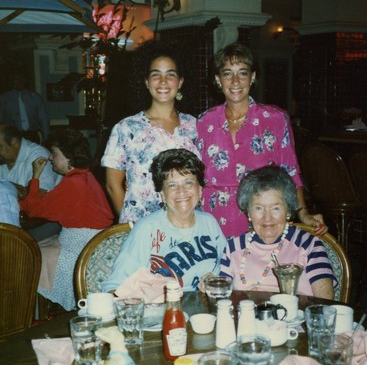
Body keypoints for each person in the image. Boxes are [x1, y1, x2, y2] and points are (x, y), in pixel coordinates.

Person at [197, 43, 325, 237]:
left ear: (253, 77)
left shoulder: (274, 119)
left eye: (242, 73)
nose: (235, 81)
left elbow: (290, 171)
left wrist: (303, 212)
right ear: (218, 79)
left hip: (260, 218)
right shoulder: (204, 122)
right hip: (211, 219)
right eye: (227, 73)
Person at [103, 149, 226, 294]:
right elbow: (113, 288)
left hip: (206, 312)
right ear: (162, 194)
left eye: (188, 182)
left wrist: (214, 279)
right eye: (172, 185)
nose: (181, 191)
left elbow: (228, 270)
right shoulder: (147, 229)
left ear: (199, 190)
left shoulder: (209, 223)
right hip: (162, 312)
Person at [101, 41, 199, 223]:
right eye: (156, 75)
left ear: (180, 82)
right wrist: (131, 226)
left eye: (170, 75)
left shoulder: (195, 126)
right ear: (146, 82)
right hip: (142, 228)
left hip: (187, 224)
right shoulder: (126, 128)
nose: (163, 82)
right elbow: (112, 185)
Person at [19, 128, 113, 311]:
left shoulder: (74, 182)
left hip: (81, 246)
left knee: (29, 254)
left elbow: (33, 209)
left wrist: (36, 176)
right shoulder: (84, 175)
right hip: (92, 242)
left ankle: (35, 313)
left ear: (69, 157)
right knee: (38, 245)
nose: (51, 158)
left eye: (54, 153)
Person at [219, 165, 335, 299]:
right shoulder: (233, 247)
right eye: (258, 208)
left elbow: (325, 304)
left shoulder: (309, 244)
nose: (267, 218)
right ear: (248, 213)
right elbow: (222, 302)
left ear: (288, 211)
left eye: (275, 208)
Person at [0, 124, 59, 194]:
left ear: (14, 142)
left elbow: (39, 195)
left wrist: (5, 186)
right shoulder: (4, 158)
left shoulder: (39, 156)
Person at [0, 68, 49, 143]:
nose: (15, 81)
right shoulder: (4, 98)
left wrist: (45, 137)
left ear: (25, 80)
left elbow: (43, 118)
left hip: (33, 134)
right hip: (14, 135)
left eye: (19, 79)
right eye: (14, 79)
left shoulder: (35, 97)